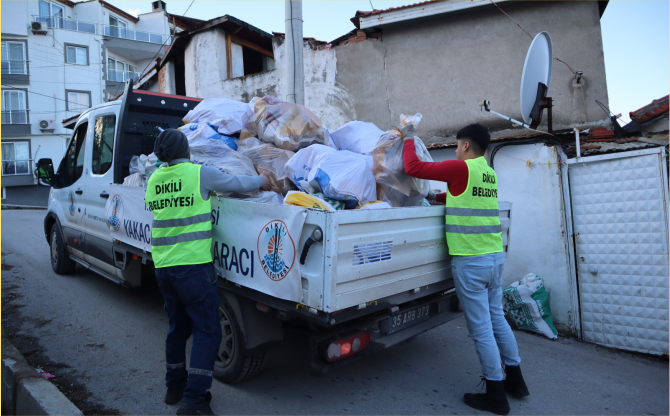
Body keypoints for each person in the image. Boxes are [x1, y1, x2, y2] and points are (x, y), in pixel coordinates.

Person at [403, 124, 529, 415]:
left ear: (466, 146)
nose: (456, 150)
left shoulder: (461, 169)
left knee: (481, 328)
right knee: (497, 318)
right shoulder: (488, 173)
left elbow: (413, 166)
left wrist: (408, 136)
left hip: (471, 260)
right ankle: (517, 381)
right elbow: (470, 198)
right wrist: (438, 199)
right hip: (494, 256)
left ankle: (496, 395)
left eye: (457, 145)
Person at [145, 129, 270, 415]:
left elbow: (156, 206)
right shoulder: (198, 173)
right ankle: (194, 401)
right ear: (185, 151)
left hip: (164, 266)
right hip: (192, 266)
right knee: (208, 331)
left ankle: (174, 387)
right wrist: (264, 178)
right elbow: (237, 183)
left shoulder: (154, 179)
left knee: (177, 328)